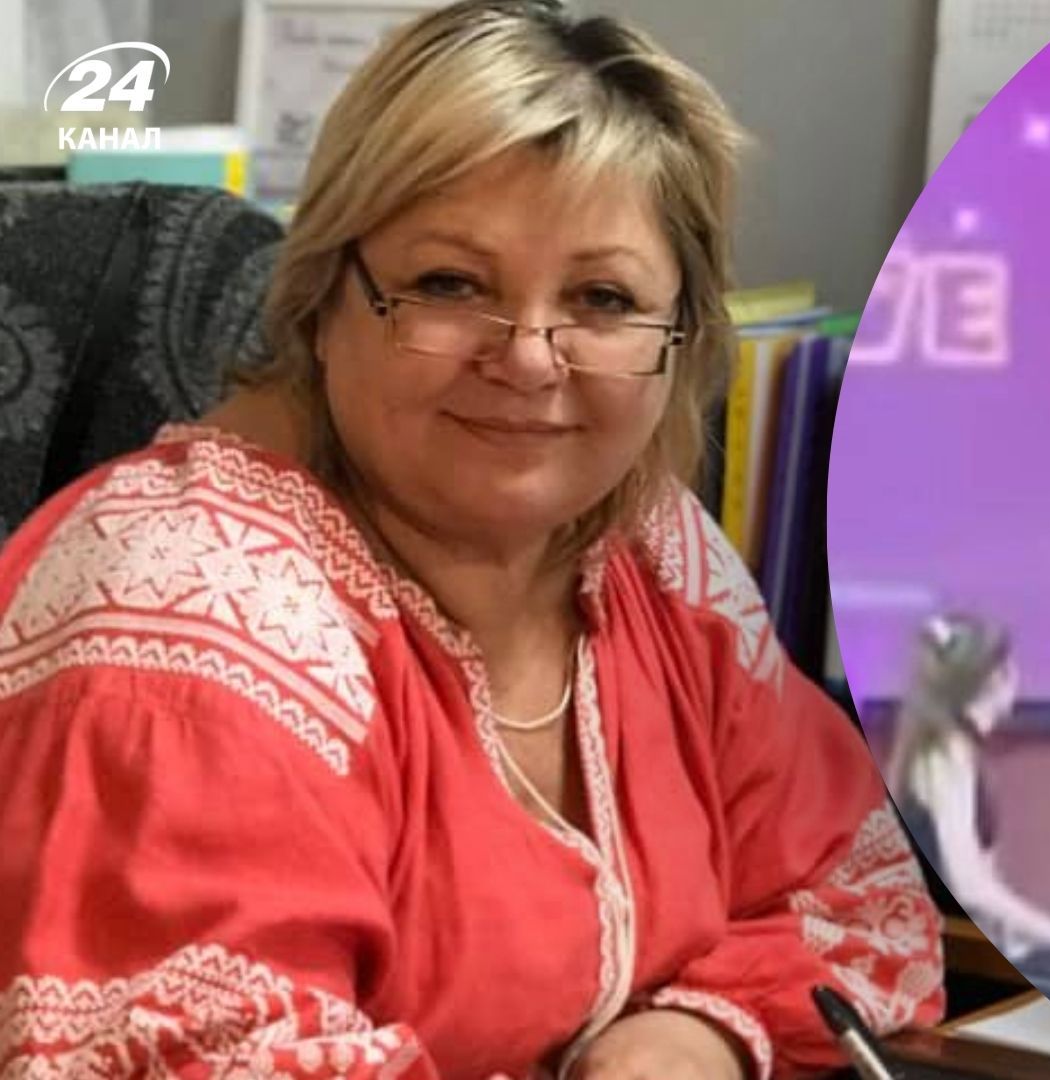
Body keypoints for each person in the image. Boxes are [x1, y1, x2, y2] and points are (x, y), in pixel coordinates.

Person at [0, 3, 943, 1077]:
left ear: (680, 338)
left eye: (603, 298)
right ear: (324, 298)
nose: (530, 359)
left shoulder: (649, 551)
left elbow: (855, 895)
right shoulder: (186, 608)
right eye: (450, 284)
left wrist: (694, 1034)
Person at [886, 613, 1050, 1044]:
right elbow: (970, 887)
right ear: (995, 679)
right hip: (934, 964)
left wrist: (1026, 947)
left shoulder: (955, 749)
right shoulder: (944, 755)